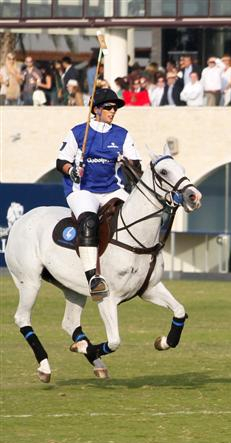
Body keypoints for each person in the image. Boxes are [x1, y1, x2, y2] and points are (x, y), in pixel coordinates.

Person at [55, 89, 144, 301]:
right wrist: (73, 170)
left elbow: (137, 165)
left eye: (115, 108)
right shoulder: (79, 132)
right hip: (83, 190)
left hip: (113, 189)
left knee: (135, 215)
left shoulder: (122, 135)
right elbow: (61, 162)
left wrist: (128, 163)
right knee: (89, 221)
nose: (113, 112)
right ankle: (93, 278)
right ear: (96, 109)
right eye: (108, 108)